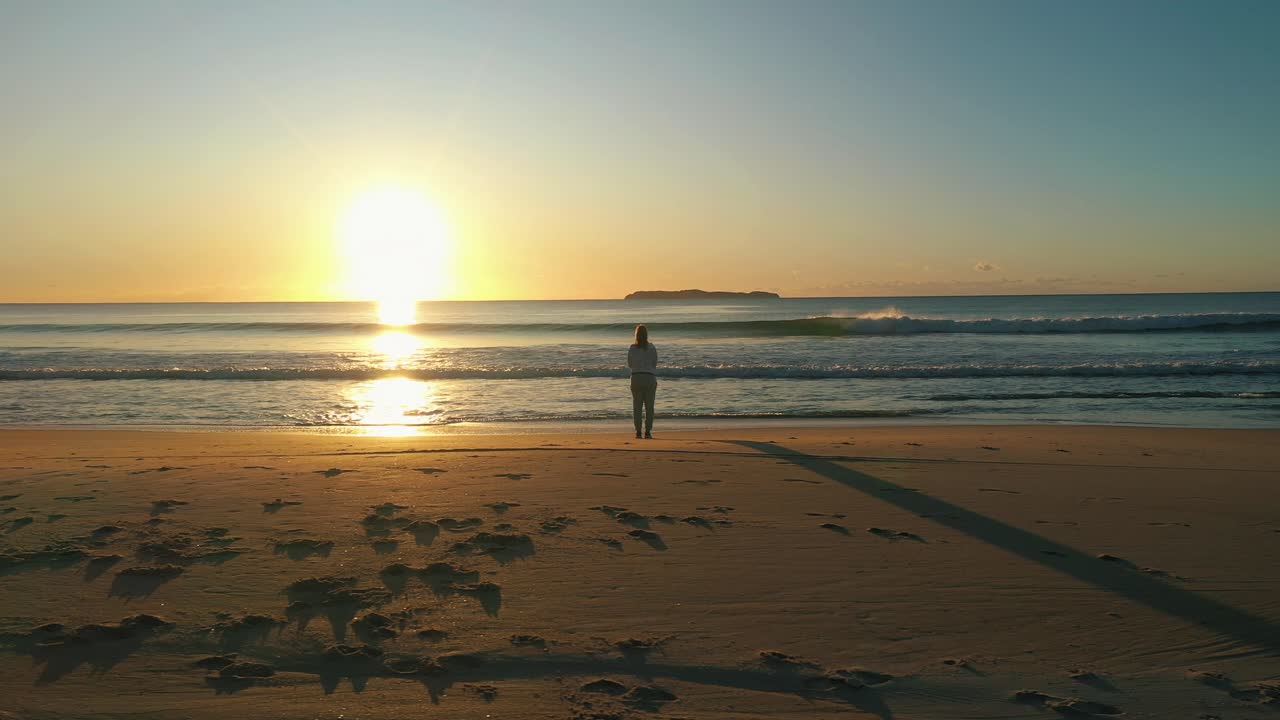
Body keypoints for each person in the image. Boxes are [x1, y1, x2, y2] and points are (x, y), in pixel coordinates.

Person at [627, 324, 658, 439]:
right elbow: (655, 363)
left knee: (637, 406)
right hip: (649, 377)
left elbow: (630, 364)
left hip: (636, 377)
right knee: (649, 407)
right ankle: (648, 432)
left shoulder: (632, 348)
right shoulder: (652, 347)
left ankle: (638, 431)